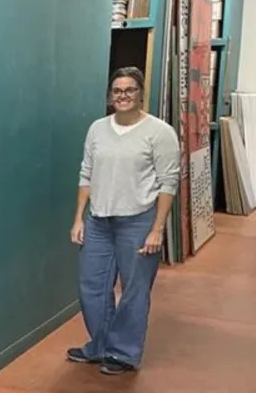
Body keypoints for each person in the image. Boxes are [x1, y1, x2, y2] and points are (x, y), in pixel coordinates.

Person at [66, 66, 180, 375]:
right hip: (98, 221)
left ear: (140, 94)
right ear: (110, 96)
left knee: (134, 290)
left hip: (138, 222)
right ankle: (100, 345)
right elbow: (86, 173)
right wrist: (79, 218)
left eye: (130, 90)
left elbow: (168, 183)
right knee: (92, 286)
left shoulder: (160, 133)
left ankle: (123, 353)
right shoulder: (97, 129)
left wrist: (157, 229)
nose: (123, 95)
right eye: (117, 91)